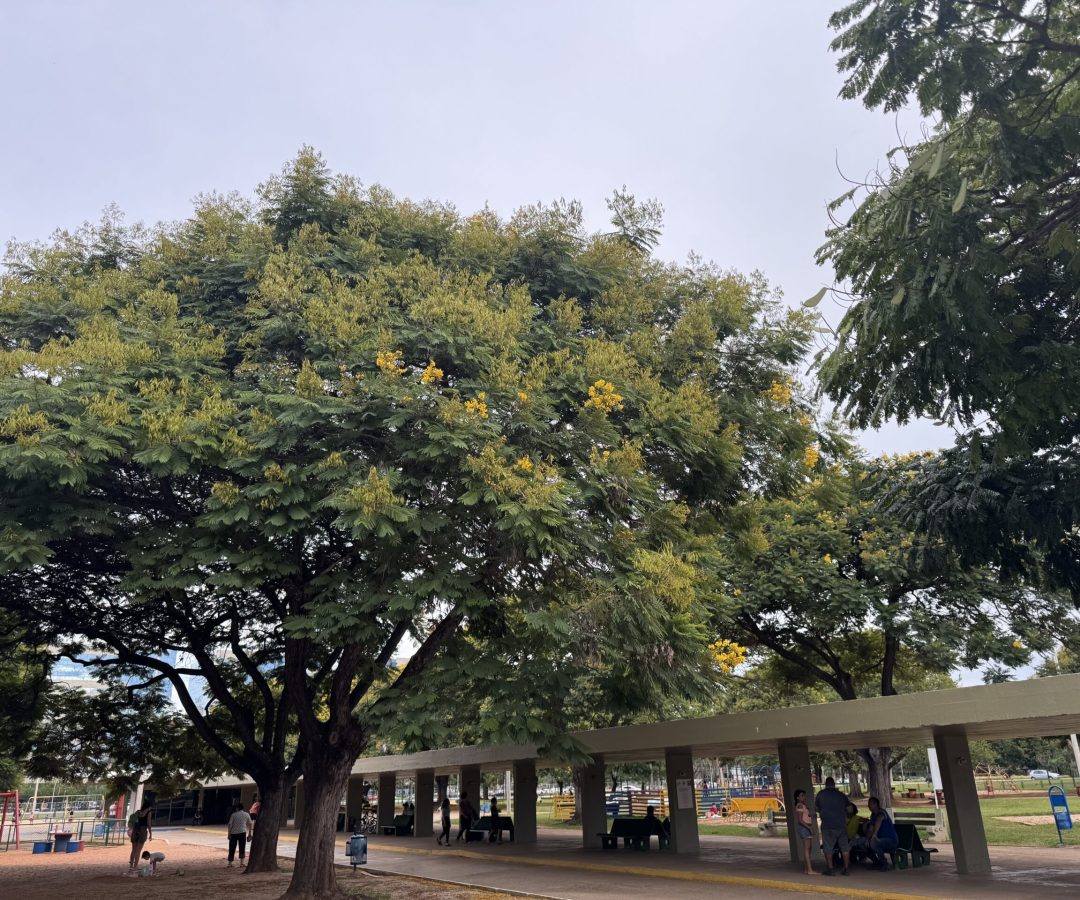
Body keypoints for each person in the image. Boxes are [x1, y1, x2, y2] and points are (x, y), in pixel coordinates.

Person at [815, 777, 851, 876]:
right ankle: (846, 868)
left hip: (827, 825)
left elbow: (816, 808)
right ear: (834, 784)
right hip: (841, 825)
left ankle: (830, 869)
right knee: (844, 848)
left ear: (825, 784)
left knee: (828, 848)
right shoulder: (841, 795)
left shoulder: (820, 794)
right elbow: (850, 809)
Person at [858, 796, 899, 870]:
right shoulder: (872, 815)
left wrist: (874, 834)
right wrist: (867, 838)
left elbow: (879, 821)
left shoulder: (882, 812)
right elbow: (870, 829)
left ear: (875, 804)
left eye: (870, 804)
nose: (868, 806)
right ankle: (876, 862)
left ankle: (884, 863)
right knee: (861, 842)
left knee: (874, 843)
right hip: (879, 840)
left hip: (891, 840)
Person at [127, 801, 153, 875]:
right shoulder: (149, 812)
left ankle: (131, 867)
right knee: (138, 851)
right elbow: (149, 824)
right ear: (149, 807)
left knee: (133, 850)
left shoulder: (138, 812)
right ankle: (135, 867)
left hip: (135, 831)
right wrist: (150, 834)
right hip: (142, 831)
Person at [794, 790, 816, 876]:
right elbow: (800, 820)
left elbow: (805, 816)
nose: (804, 797)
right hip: (804, 828)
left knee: (809, 848)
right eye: (802, 795)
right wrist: (809, 828)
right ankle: (809, 870)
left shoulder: (803, 805)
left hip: (806, 827)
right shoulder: (800, 805)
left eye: (804, 795)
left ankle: (807, 869)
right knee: (807, 849)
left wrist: (811, 816)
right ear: (797, 797)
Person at [226, 801, 253, 867]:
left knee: (232, 848)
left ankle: (230, 863)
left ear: (237, 808)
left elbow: (230, 824)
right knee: (242, 847)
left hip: (233, 833)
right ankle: (242, 863)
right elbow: (250, 823)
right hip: (242, 832)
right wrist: (249, 833)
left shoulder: (233, 815)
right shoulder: (246, 814)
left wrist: (229, 834)